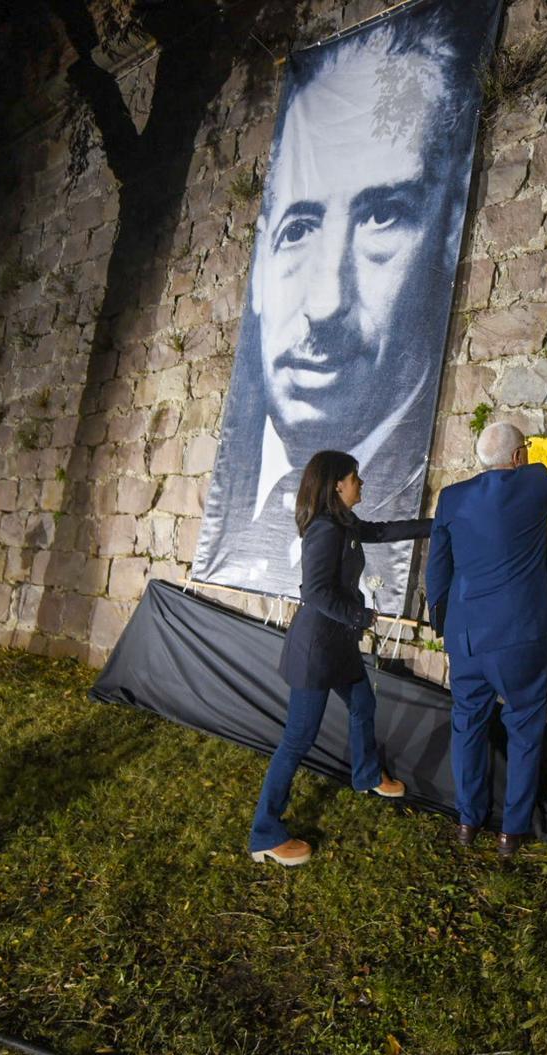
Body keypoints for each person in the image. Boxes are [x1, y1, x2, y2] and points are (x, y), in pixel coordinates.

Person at [195, 2, 495, 605]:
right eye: (299, 228)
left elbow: (379, 532)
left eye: (383, 216)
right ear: (257, 274)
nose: (326, 303)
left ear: (446, 237)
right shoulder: (247, 489)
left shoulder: (345, 512)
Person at [426, 412, 547, 856]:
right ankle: (512, 830)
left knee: (468, 727)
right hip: (520, 635)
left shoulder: (451, 498)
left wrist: (444, 624)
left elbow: (438, 569)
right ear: (518, 455)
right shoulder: (532, 484)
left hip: (466, 637)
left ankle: (469, 821)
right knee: (525, 728)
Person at [249, 450, 432, 866]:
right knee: (297, 739)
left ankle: (367, 775)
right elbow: (314, 593)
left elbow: (383, 532)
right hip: (316, 649)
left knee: (363, 704)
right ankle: (265, 833)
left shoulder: (343, 523)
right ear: (337, 485)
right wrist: (361, 616)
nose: (361, 483)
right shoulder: (325, 530)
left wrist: (438, 526)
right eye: (355, 478)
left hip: (337, 644)